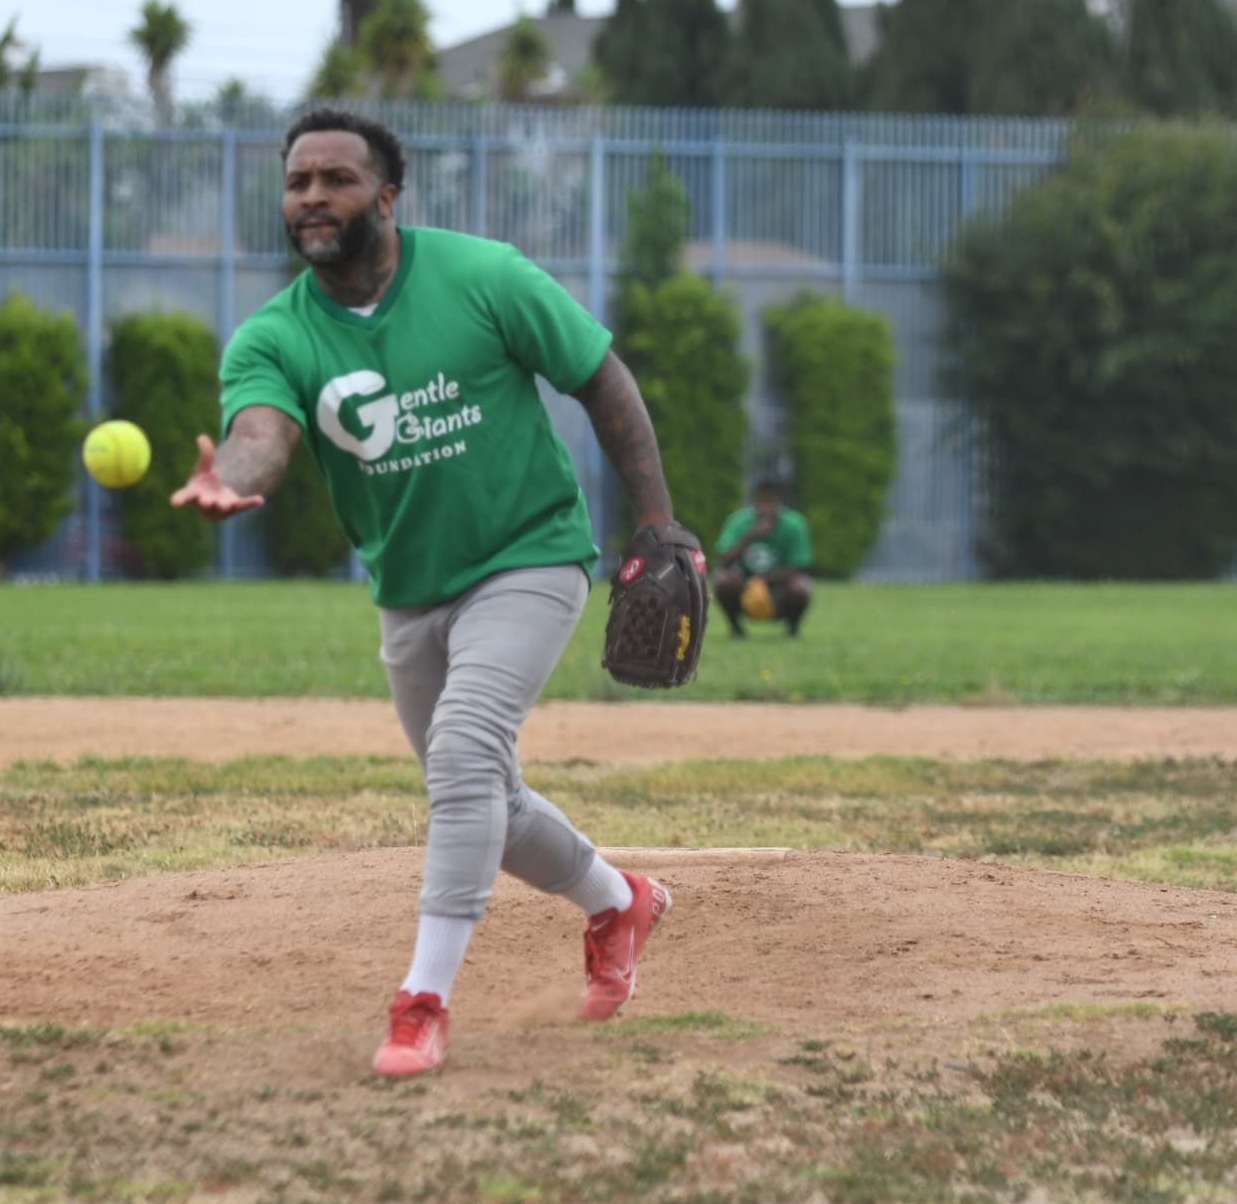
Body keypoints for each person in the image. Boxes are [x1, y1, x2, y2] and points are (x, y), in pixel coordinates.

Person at [172, 107, 688, 1078]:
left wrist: (656, 522)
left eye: (336, 178)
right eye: (297, 182)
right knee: (488, 798)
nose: (313, 196)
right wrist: (231, 477)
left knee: (462, 752)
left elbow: (601, 378)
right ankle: (620, 903)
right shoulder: (273, 336)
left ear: (387, 195)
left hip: (529, 554)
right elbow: (261, 434)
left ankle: (422, 1003)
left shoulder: (483, 276)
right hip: (408, 588)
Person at [713, 479, 814, 639]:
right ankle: (736, 629)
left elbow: (799, 566)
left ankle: (793, 629)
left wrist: (764, 580)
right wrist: (750, 536)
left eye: (770, 502)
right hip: (744, 585)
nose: (765, 508)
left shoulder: (794, 524)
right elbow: (723, 561)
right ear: (753, 502)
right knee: (723, 580)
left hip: (779, 586)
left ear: (780, 503)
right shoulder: (738, 521)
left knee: (800, 587)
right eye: (762, 501)